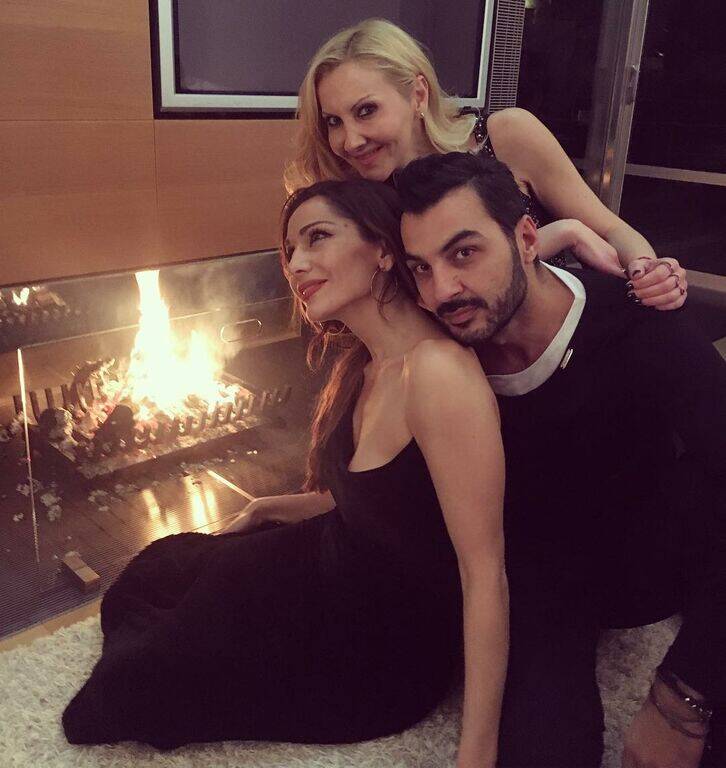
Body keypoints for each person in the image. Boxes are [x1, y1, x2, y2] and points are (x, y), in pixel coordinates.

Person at [63, 179, 509, 768]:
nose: (296, 265)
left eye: (317, 238)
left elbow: (484, 573)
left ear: (382, 248)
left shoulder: (438, 374)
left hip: (373, 654)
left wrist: (477, 752)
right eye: (291, 250)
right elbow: (382, 499)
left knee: (124, 692)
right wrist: (270, 508)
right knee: (157, 570)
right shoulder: (369, 363)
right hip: (329, 563)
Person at [394, 150, 726, 767]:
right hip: (543, 579)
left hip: (659, 548)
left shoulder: (636, 325)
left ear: (527, 240)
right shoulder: (444, 365)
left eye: (464, 253)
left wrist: (682, 701)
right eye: (421, 267)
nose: (442, 290)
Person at [285, 17, 688, 311]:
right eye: (333, 121)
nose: (350, 140)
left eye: (366, 110)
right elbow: (417, 305)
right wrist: (563, 234)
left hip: (570, 332)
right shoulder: (364, 200)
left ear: (418, 95)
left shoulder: (505, 135)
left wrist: (650, 273)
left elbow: (612, 229)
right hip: (480, 375)